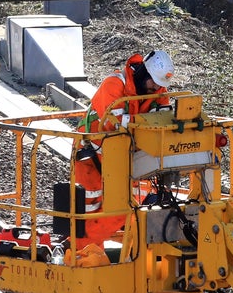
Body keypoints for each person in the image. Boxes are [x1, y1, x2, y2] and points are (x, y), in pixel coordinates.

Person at [73, 50, 175, 246]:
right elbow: (115, 124)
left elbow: (162, 122)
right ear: (144, 72)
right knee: (88, 208)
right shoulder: (115, 84)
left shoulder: (158, 91)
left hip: (122, 157)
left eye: (160, 85)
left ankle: (88, 252)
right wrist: (146, 124)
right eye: (153, 82)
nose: (156, 88)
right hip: (90, 154)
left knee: (121, 210)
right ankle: (78, 251)